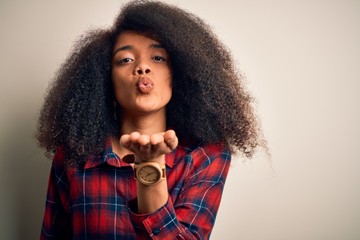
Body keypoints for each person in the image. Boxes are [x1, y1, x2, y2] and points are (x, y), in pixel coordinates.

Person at [37, 1, 263, 239]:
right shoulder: (74, 157)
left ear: (179, 74)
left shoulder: (206, 155)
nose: (142, 67)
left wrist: (150, 167)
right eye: (125, 60)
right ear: (105, 79)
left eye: (157, 58)